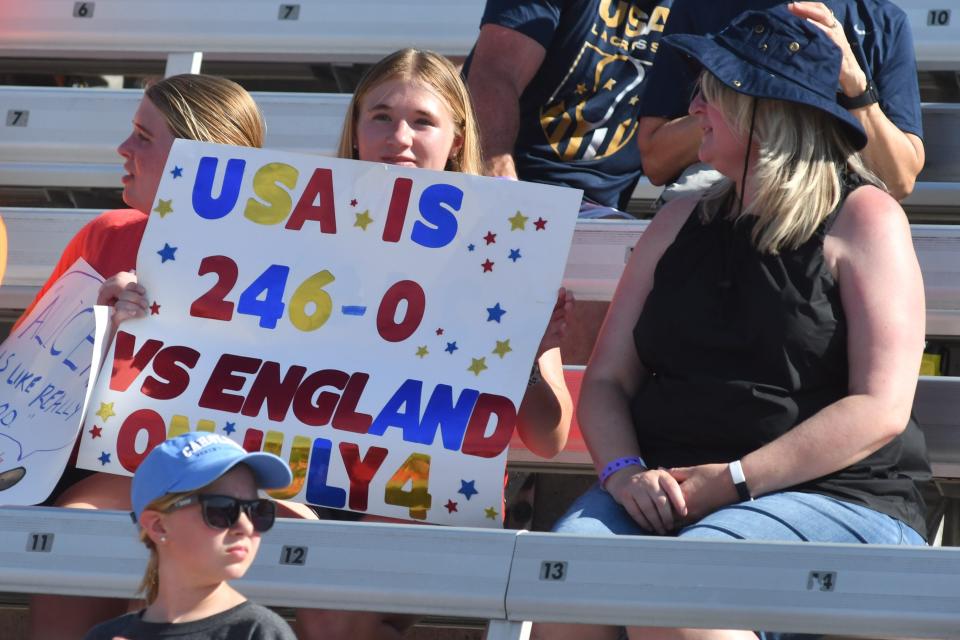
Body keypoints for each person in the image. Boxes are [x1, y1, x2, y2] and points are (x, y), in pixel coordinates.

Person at [533, 6, 932, 640]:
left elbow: (879, 409)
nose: (693, 109)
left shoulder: (865, 218)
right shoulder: (676, 220)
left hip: (837, 494)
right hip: (667, 485)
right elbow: (607, 379)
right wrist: (623, 473)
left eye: (712, 93)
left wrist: (735, 481)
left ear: (766, 110)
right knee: (568, 590)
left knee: (678, 602)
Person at [26, 73, 273, 640]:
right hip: (116, 461)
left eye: (143, 136)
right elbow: (23, 382)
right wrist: (93, 320)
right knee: (73, 531)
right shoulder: (106, 234)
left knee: (310, 538)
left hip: (241, 467)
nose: (123, 149)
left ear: (197, 159)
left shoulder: (284, 254)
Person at [636, 0, 925, 202]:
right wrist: (751, 91)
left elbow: (898, 180)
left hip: (828, 198)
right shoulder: (701, 7)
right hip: (719, 198)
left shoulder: (884, 20)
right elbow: (656, 161)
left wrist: (853, 82)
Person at [464, 0, 674, 217]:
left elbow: (664, 158)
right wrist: (500, 181)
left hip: (600, 211)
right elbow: (494, 75)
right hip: (517, 186)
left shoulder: (698, 10)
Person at [83, 431, 297, 640]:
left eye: (257, 510)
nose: (246, 526)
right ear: (158, 526)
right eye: (221, 509)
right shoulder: (105, 635)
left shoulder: (260, 632)